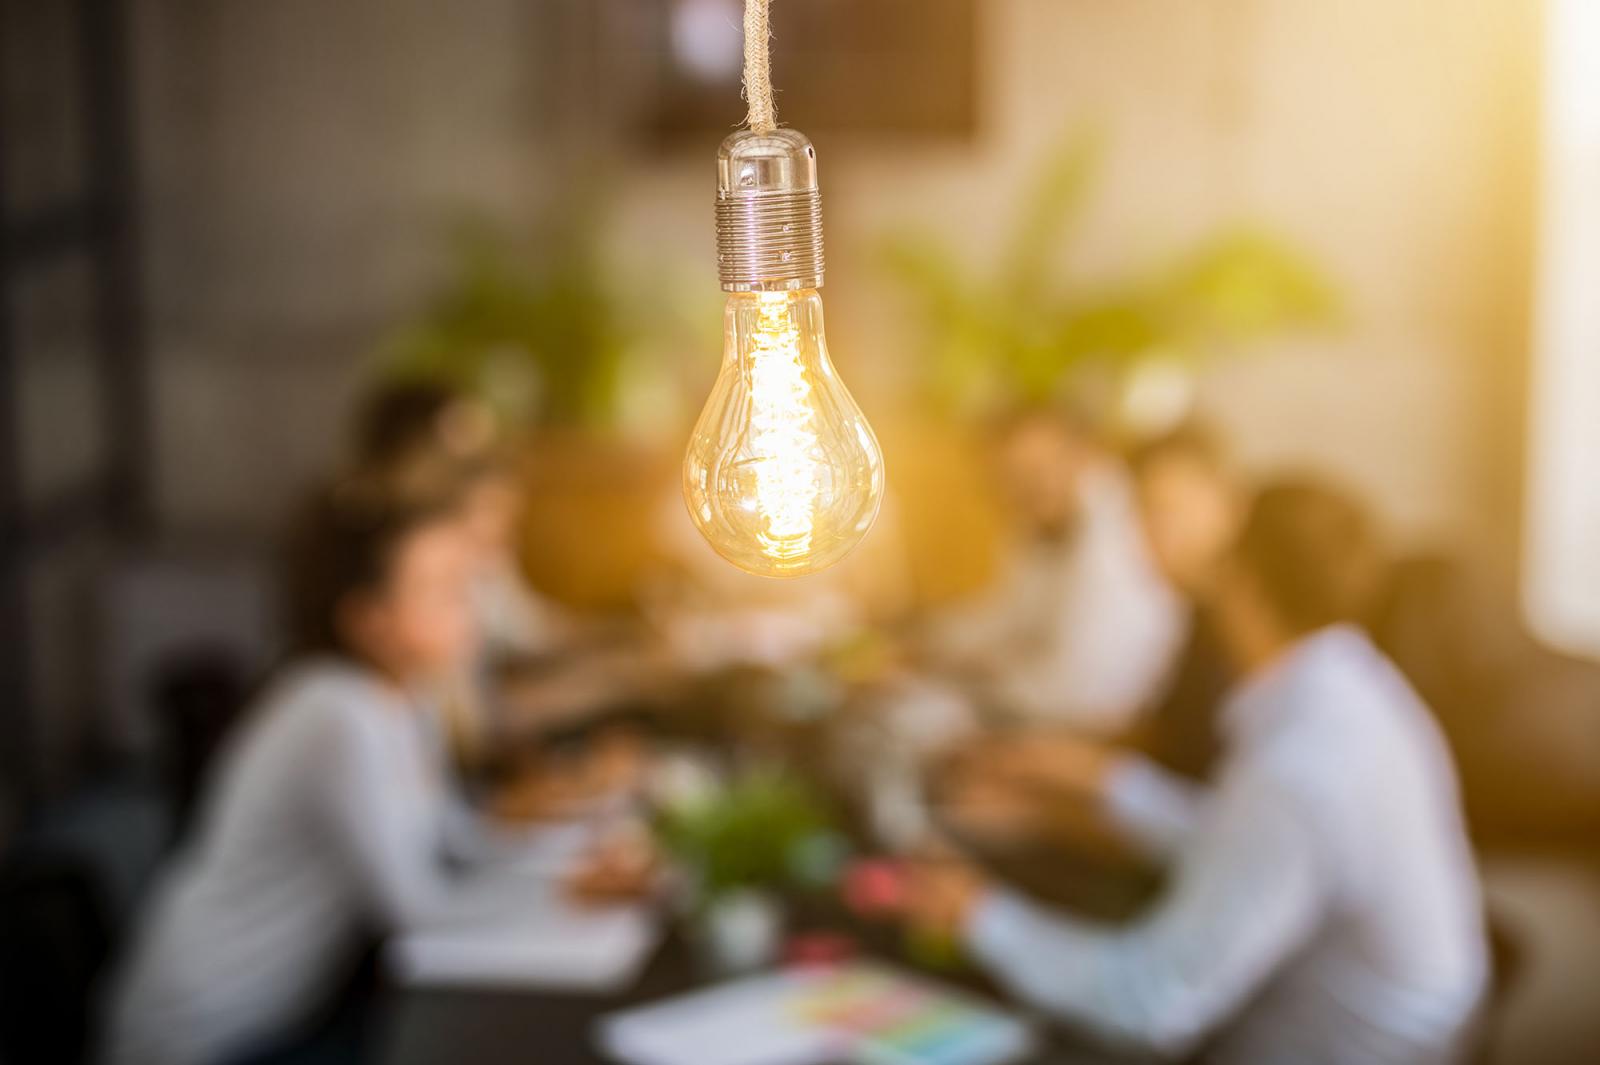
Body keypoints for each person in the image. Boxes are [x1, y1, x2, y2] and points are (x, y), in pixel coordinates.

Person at [909, 479, 1489, 1063]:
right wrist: (1102, 783)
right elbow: (1247, 846)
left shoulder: (1302, 764)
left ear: (1242, 581)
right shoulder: (1357, 687)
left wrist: (980, 916)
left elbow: (1152, 1003)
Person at [102, 478, 647, 1065]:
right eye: (442, 591)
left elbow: (457, 841)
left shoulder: (403, 698)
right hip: (206, 1036)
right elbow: (419, 909)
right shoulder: (336, 713)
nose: (469, 609)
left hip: (292, 1015)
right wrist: (567, 893)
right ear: (369, 621)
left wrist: (573, 866)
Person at [923, 405, 1183, 733]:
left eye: (1043, 467)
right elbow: (1008, 615)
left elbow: (1077, 686)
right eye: (1012, 476)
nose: (1032, 485)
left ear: (1083, 456)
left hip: (1105, 728)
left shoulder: (1120, 536)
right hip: (1045, 707)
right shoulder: (1041, 528)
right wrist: (929, 644)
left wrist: (961, 674)